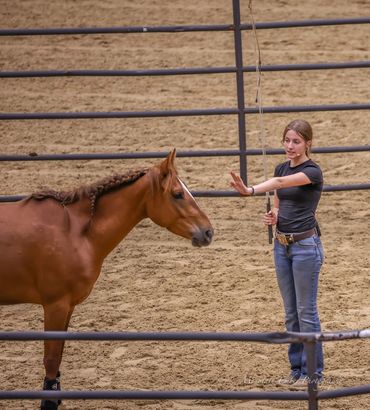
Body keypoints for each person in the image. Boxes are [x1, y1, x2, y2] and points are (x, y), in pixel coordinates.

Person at [230, 119, 324, 384]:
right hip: (282, 247)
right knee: (291, 313)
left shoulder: (312, 171)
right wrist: (275, 215)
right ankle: (296, 370)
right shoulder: (281, 166)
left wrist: (250, 190)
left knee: (307, 311)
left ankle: (312, 373)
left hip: (306, 247)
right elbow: (280, 204)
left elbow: (280, 183)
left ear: (307, 144)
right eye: (287, 140)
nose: (290, 146)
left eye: (296, 141)